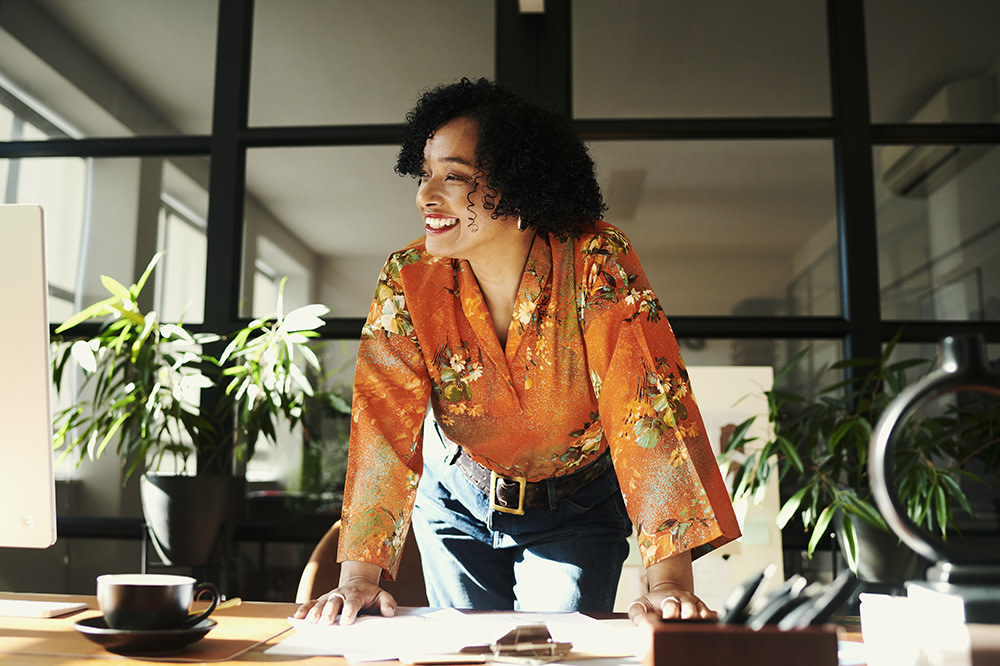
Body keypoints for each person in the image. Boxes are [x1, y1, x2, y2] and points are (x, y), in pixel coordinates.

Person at [295, 77, 741, 627]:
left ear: (519, 186)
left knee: (554, 653)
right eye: (424, 174)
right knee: (464, 655)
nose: (425, 196)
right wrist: (358, 579)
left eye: (453, 177)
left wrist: (668, 582)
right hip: (455, 498)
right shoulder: (409, 277)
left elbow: (645, 408)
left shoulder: (596, 261)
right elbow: (382, 423)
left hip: (575, 508)